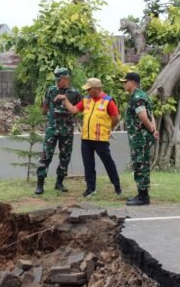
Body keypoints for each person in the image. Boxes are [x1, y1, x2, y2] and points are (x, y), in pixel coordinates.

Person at [56, 77, 122, 197]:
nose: (87, 92)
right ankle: (90, 189)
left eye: (89, 89)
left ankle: (117, 186)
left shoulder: (108, 101)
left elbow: (116, 117)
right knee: (88, 164)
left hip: (100, 139)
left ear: (96, 89)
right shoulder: (86, 100)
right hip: (86, 139)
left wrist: (108, 128)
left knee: (108, 163)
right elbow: (74, 110)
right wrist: (65, 99)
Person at [35, 67, 82, 195]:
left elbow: (78, 109)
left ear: (66, 79)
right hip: (52, 128)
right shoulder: (51, 90)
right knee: (46, 155)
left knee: (65, 156)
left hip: (67, 129)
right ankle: (40, 184)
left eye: (59, 79)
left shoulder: (75, 93)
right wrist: (50, 116)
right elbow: (44, 108)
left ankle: (59, 182)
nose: (57, 82)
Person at [122, 72, 159, 206]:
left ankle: (143, 196)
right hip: (141, 136)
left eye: (126, 81)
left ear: (132, 82)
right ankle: (141, 194)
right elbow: (151, 114)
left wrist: (152, 129)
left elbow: (143, 116)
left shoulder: (137, 97)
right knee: (142, 164)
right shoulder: (143, 95)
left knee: (140, 164)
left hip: (140, 137)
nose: (124, 84)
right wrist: (153, 129)